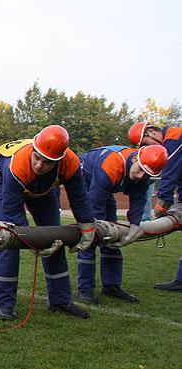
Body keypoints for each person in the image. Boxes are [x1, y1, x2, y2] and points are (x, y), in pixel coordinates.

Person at [0, 126, 96, 320]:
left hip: (43, 188)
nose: (39, 165)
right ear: (33, 150)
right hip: (4, 178)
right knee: (9, 236)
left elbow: (79, 197)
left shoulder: (71, 162)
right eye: (37, 157)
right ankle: (5, 303)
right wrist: (34, 244)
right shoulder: (17, 165)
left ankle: (60, 300)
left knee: (54, 238)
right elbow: (14, 215)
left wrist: (88, 227)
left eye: (47, 162)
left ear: (59, 160)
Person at [76, 144, 168, 304]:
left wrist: (133, 230)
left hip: (106, 184)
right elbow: (95, 207)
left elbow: (138, 204)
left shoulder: (144, 173)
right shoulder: (111, 165)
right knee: (91, 236)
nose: (140, 176)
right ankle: (85, 289)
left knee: (113, 234)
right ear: (135, 159)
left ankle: (111, 285)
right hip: (87, 176)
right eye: (140, 170)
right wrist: (96, 230)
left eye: (146, 174)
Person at [129, 121, 182, 291]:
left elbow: (169, 175)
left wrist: (160, 208)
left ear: (151, 132)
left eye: (145, 144)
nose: (147, 149)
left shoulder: (174, 139)